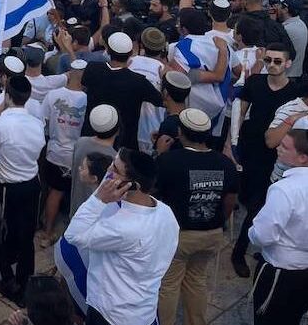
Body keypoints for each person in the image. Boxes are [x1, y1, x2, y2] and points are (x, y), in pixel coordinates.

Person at [64, 149, 179, 325]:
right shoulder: (165, 212)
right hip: (142, 309)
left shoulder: (124, 227)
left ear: (134, 186)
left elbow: (73, 235)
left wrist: (98, 199)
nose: (108, 171)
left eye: (115, 169)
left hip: (111, 313)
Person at [154, 109, 238, 325]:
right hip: (211, 234)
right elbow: (230, 200)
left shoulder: (169, 161)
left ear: (180, 132)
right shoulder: (225, 164)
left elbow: (153, 193)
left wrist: (159, 154)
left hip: (180, 236)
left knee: (170, 284)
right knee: (197, 280)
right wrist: (219, 222)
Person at [231, 41, 299, 276]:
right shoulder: (256, 82)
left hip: (276, 153)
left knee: (261, 203)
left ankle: (245, 250)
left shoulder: (294, 90)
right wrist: (233, 142)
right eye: (268, 60)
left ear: (288, 64)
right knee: (252, 199)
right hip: (251, 147)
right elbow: (241, 111)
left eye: (277, 61)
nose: (272, 65)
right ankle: (242, 249)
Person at [0, 75, 45, 304]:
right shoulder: (36, 124)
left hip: (8, 187)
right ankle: (25, 282)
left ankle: (9, 279)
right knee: (26, 235)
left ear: (7, 95)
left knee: (5, 233)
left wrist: (1, 105)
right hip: (32, 184)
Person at [248, 129, 308, 325]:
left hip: (279, 273)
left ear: (302, 158)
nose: (278, 149)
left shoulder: (284, 189)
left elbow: (263, 235)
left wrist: (252, 231)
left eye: (285, 147)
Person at [39, 60, 87, 243]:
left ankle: (47, 232)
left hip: (55, 153)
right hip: (77, 156)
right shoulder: (87, 99)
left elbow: (42, 122)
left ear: (69, 73)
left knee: (55, 192)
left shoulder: (52, 95)